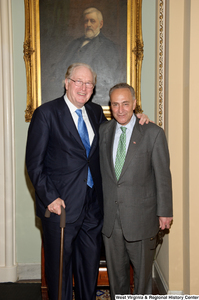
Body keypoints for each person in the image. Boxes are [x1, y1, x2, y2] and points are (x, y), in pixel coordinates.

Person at [26, 63, 149, 300]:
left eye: (89, 83)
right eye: (78, 81)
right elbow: (34, 164)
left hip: (93, 208)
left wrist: (136, 118)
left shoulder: (95, 112)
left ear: (93, 88)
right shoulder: (46, 114)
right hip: (60, 207)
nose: (83, 87)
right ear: (67, 83)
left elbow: (115, 133)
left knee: (88, 270)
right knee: (59, 272)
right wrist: (49, 197)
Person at [99, 83, 173, 298]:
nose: (120, 110)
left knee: (142, 280)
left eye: (125, 104)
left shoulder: (153, 133)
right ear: (110, 106)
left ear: (134, 104)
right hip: (111, 221)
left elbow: (163, 176)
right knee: (117, 278)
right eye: (115, 104)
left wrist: (165, 211)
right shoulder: (104, 131)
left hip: (142, 218)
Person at [49, 7, 123, 105]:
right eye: (86, 21)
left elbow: (106, 80)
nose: (88, 24)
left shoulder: (109, 47)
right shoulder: (74, 44)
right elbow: (60, 69)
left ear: (100, 24)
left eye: (92, 21)